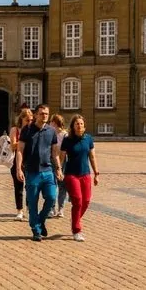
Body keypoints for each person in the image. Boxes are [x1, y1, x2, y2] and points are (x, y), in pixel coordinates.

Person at [16, 104, 62, 242]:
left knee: (51, 197)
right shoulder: (27, 130)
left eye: (46, 114)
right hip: (32, 172)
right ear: (36, 115)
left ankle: (41, 220)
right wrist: (19, 168)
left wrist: (58, 168)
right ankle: (36, 230)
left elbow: (55, 153)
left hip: (48, 171)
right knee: (33, 202)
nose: (44, 116)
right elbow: (20, 150)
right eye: (41, 113)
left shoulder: (51, 131)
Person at [60, 114, 99, 242]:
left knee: (86, 201)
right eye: (77, 123)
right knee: (77, 201)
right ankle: (77, 230)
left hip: (85, 174)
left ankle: (75, 219)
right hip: (71, 174)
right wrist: (59, 170)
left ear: (84, 126)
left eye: (81, 124)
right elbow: (61, 157)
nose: (79, 126)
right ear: (73, 126)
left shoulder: (88, 139)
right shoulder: (67, 140)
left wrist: (96, 173)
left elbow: (92, 157)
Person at [8, 108, 34, 221]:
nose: (30, 122)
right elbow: (13, 146)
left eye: (31, 120)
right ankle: (19, 210)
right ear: (22, 119)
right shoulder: (15, 130)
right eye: (27, 120)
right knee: (18, 187)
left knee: (30, 186)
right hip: (17, 161)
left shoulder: (33, 130)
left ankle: (29, 208)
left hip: (30, 161)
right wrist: (24, 141)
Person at [50, 114, 69, 218]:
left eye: (51, 122)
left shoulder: (64, 135)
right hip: (50, 161)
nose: (49, 124)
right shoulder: (50, 133)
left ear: (55, 123)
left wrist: (60, 167)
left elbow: (63, 152)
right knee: (52, 185)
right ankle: (52, 208)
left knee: (62, 186)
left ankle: (61, 208)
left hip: (63, 161)